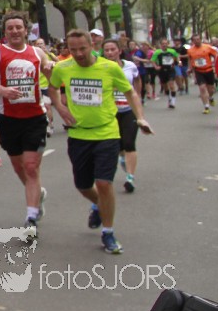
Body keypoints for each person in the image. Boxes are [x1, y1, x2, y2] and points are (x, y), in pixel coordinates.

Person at [48, 29, 147, 254]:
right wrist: (60, 108)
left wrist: (140, 117)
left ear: (92, 46)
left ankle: (108, 232)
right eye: (73, 50)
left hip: (107, 133)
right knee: (83, 185)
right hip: (78, 135)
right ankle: (98, 205)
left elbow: (130, 92)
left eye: (82, 49)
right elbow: (52, 87)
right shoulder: (63, 68)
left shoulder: (109, 68)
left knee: (104, 183)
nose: (78, 54)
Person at [0, 12, 52, 238]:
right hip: (9, 119)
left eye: (18, 27)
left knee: (31, 167)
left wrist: (51, 70)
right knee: (19, 167)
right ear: (5, 31)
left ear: (26, 30)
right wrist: (2, 90)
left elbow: (52, 73)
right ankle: (38, 194)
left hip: (35, 118)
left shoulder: (38, 53)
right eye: (10, 28)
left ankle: (31, 218)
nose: (14, 31)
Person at [102, 39, 151, 194]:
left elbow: (137, 79)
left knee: (129, 142)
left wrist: (137, 95)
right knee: (118, 145)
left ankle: (130, 177)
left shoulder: (130, 66)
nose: (110, 52)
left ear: (119, 50)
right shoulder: (100, 67)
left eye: (112, 49)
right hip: (110, 112)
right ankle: (123, 157)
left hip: (128, 109)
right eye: (107, 50)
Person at [186, 34, 218, 115]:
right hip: (199, 71)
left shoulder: (207, 47)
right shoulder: (190, 50)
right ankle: (206, 106)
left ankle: (210, 97)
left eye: (198, 39)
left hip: (209, 70)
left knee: (211, 90)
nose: (197, 41)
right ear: (192, 41)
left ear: (200, 39)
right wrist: (190, 68)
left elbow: (216, 55)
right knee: (202, 88)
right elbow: (190, 59)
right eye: (195, 40)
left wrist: (215, 65)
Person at [151, 39, 180, 109]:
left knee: (172, 85)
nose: (164, 45)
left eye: (166, 43)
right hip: (162, 70)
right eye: (163, 44)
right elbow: (152, 60)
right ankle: (169, 97)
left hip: (170, 70)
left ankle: (173, 102)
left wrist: (177, 62)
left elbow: (177, 56)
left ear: (168, 44)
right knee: (165, 87)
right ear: (161, 45)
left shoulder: (172, 51)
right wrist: (156, 67)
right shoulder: (157, 52)